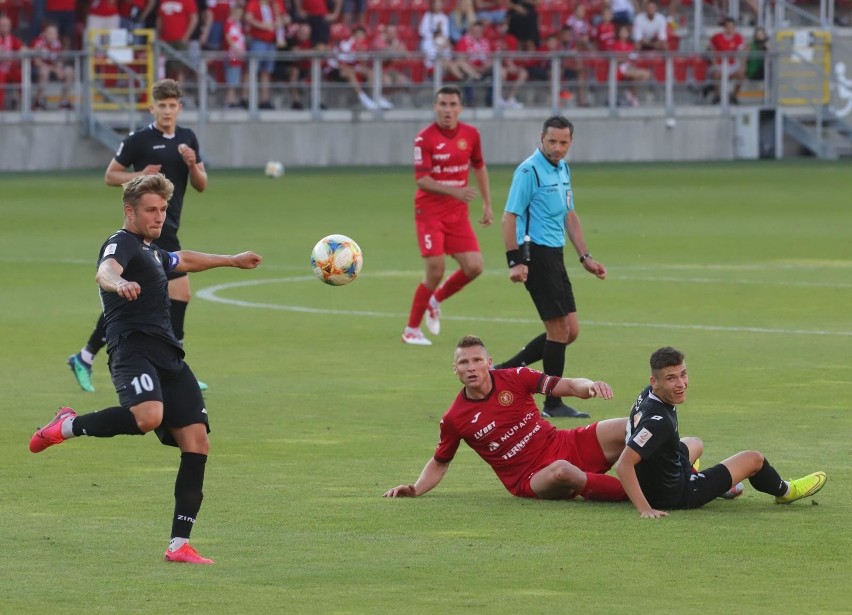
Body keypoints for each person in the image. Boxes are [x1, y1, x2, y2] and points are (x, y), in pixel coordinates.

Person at [30, 173, 263, 564]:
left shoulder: (152, 250)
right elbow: (105, 270)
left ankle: (179, 546)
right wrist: (116, 284)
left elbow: (182, 259)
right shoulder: (121, 242)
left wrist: (231, 260)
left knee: (197, 442)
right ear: (130, 211)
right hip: (132, 348)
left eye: (163, 209)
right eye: (151, 210)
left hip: (169, 355)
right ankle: (66, 425)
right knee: (148, 416)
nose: (160, 217)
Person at [67, 79, 208, 393]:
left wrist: (192, 165)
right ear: (152, 107)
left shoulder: (188, 138)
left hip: (168, 228)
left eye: (173, 106)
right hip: (148, 231)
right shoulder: (139, 140)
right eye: (162, 105)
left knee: (169, 296)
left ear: (180, 108)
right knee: (175, 293)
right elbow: (110, 176)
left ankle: (86, 356)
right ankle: (175, 368)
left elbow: (201, 184)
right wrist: (139, 174)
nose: (168, 111)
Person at [383, 335, 628, 501]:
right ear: (455, 369)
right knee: (563, 471)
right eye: (463, 362)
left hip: (562, 443)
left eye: (477, 360)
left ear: (489, 363)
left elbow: (569, 385)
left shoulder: (516, 377)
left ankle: (662, 473)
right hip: (530, 478)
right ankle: (642, 495)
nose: (471, 367)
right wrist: (415, 489)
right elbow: (440, 462)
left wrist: (590, 386)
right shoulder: (455, 418)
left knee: (630, 426)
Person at [616, 346, 828, 518]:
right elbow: (624, 464)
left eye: (683, 374)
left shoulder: (647, 394)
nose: (681, 384)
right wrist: (645, 509)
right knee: (753, 459)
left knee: (695, 443)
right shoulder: (658, 421)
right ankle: (786, 492)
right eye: (671, 378)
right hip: (674, 494)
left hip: (657, 475)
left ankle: (708, 481)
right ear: (655, 381)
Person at [493, 116, 605, 419]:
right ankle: (553, 402)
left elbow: (570, 215)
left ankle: (502, 372)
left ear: (570, 142)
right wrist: (514, 261)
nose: (557, 147)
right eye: (552, 141)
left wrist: (586, 257)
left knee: (570, 331)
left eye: (563, 142)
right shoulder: (529, 171)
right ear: (541, 138)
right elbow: (509, 217)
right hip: (535, 256)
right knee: (558, 330)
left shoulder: (562, 168)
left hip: (555, 254)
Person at [402, 85, 493, 346]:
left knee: (474, 266)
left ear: (460, 108)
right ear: (435, 107)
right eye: (443, 104)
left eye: (453, 104)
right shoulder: (424, 139)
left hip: (457, 213)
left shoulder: (471, 134)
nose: (448, 110)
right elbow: (422, 180)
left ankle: (435, 299)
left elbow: (479, 166)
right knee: (435, 269)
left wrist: (487, 204)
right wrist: (455, 190)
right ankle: (411, 330)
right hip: (429, 212)